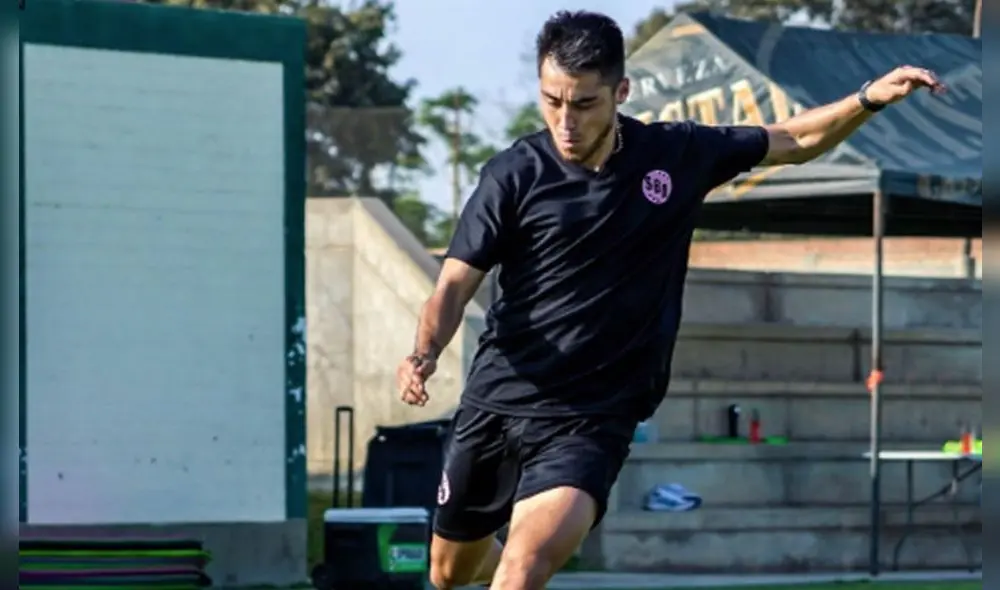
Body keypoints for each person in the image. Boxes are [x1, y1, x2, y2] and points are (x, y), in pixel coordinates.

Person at [395, 10, 944, 590]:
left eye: (583, 104)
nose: (565, 121)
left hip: (592, 417)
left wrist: (868, 98)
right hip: (498, 400)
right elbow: (454, 283)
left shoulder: (674, 155)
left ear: (621, 92)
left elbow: (795, 139)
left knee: (523, 570)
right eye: (551, 101)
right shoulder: (513, 175)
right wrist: (424, 351)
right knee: (449, 572)